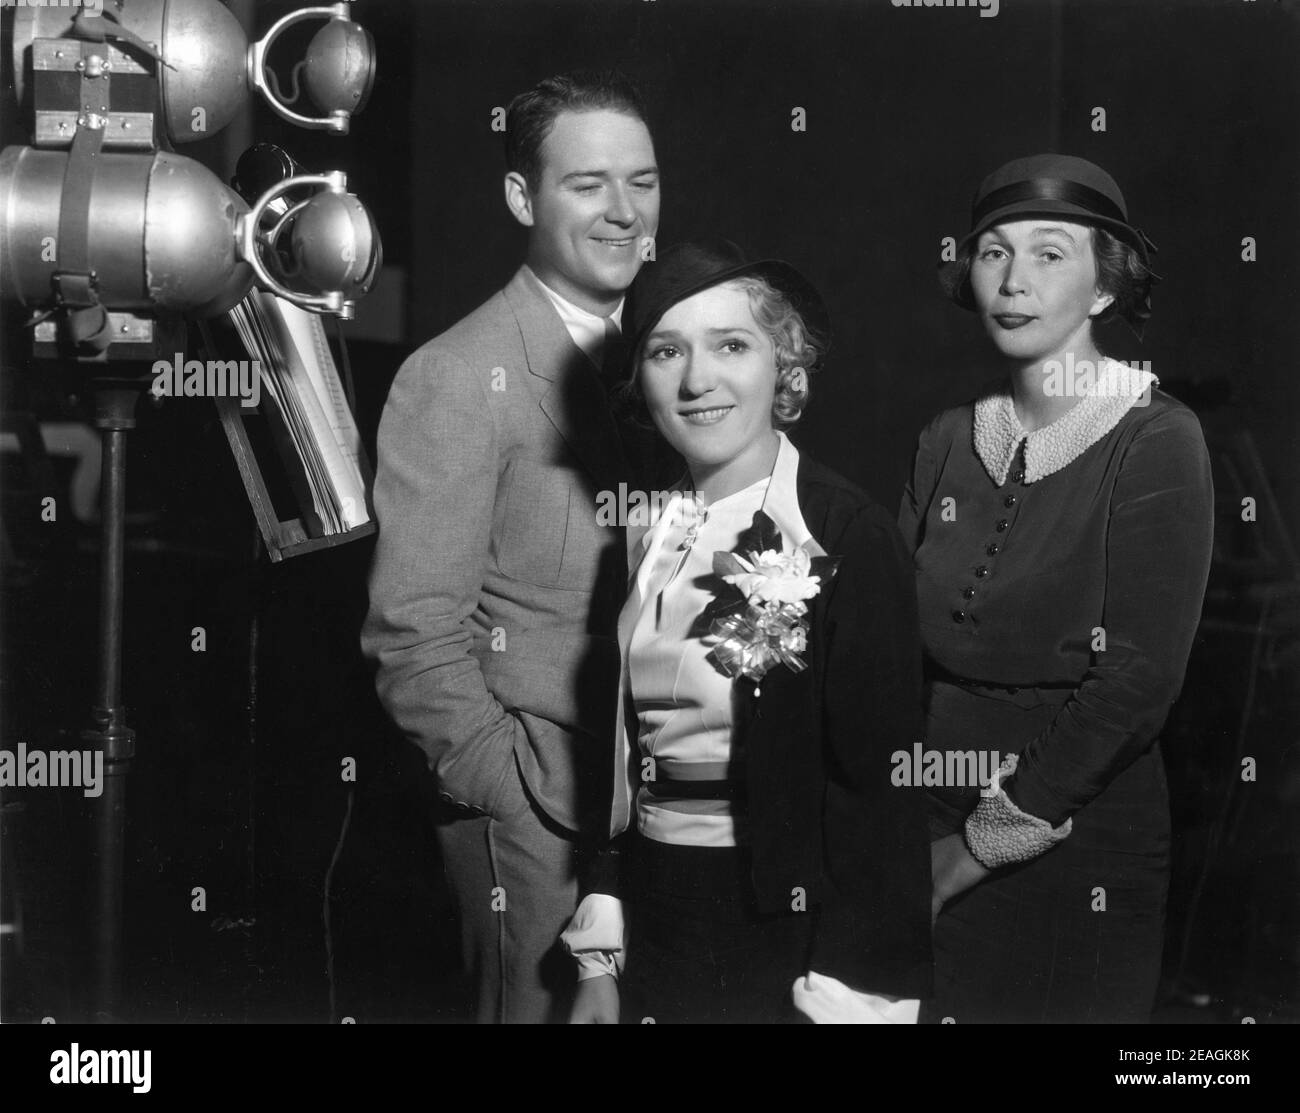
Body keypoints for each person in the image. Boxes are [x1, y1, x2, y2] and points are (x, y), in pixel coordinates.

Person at [562, 239, 932, 1023]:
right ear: (642, 381)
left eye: (732, 344)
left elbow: (877, 791)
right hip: (657, 907)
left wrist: (854, 989)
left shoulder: (838, 531)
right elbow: (624, 754)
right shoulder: (644, 530)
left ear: (784, 368)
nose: (698, 380)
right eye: (667, 351)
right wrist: (602, 948)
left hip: (781, 923)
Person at [360, 70, 660, 1023]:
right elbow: (412, 638)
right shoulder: (453, 373)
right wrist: (517, 793)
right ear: (522, 197)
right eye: (589, 185)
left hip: (659, 814)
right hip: (538, 828)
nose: (624, 212)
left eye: (643, 182)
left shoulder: (676, 359)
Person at [902, 154, 1215, 1023]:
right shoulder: (945, 439)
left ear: (1105, 287)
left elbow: (1138, 685)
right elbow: (890, 643)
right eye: (993, 252)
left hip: (1079, 845)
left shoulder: (1157, 437)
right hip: (927, 813)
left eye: (1049, 254)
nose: (1012, 279)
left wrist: (969, 852)